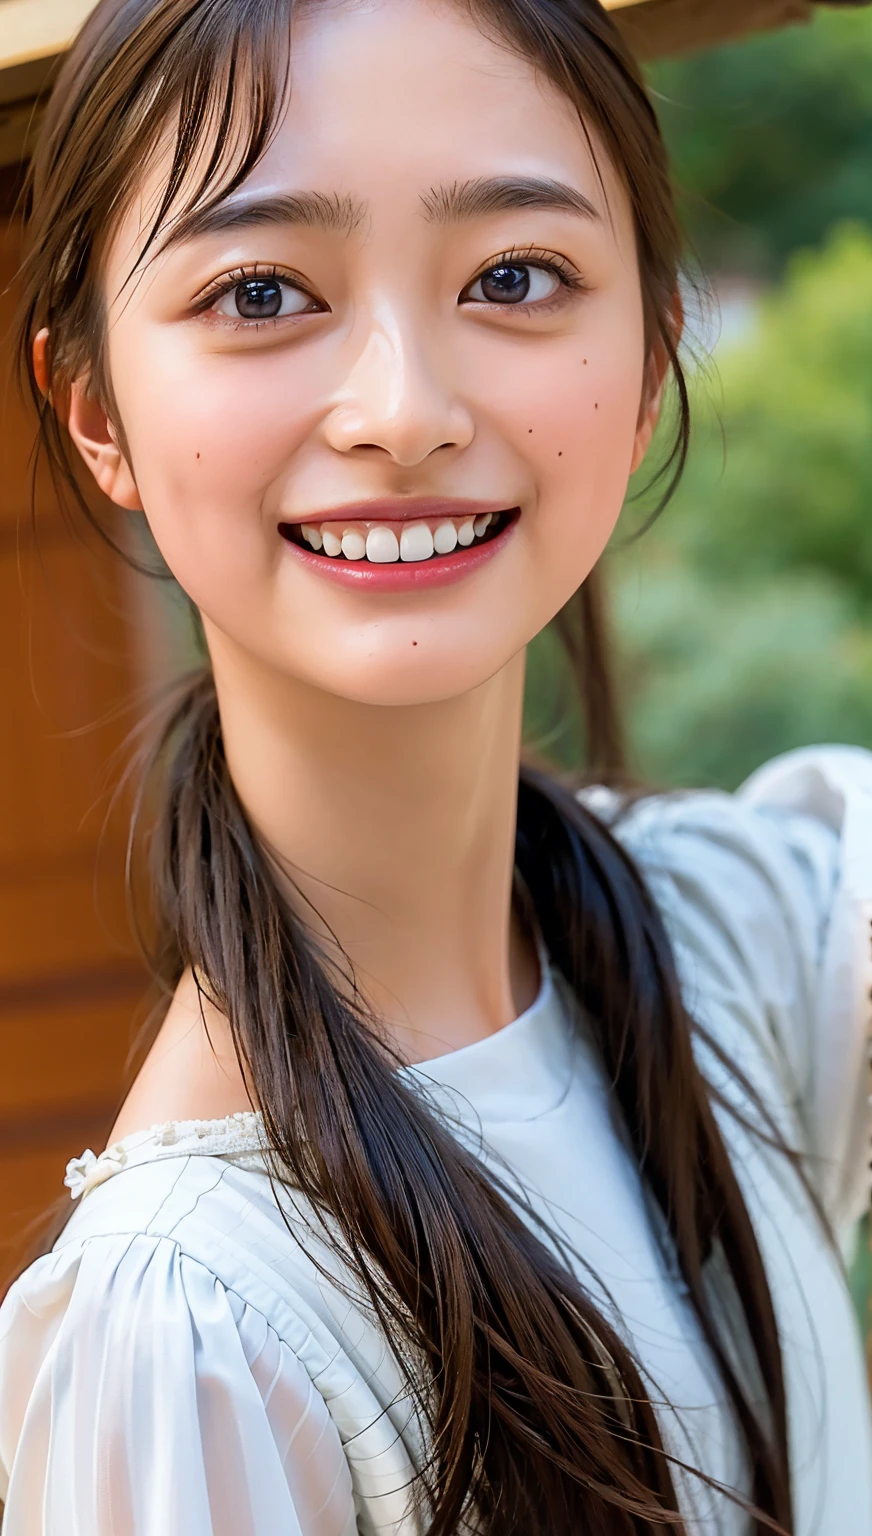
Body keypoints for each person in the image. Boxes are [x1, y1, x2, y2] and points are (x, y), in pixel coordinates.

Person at [0, 0, 870, 1530]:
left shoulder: (747, 942)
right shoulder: (198, 1333)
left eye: (515, 277)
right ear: (97, 411)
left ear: (652, 352)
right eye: (261, 290)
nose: (403, 411)